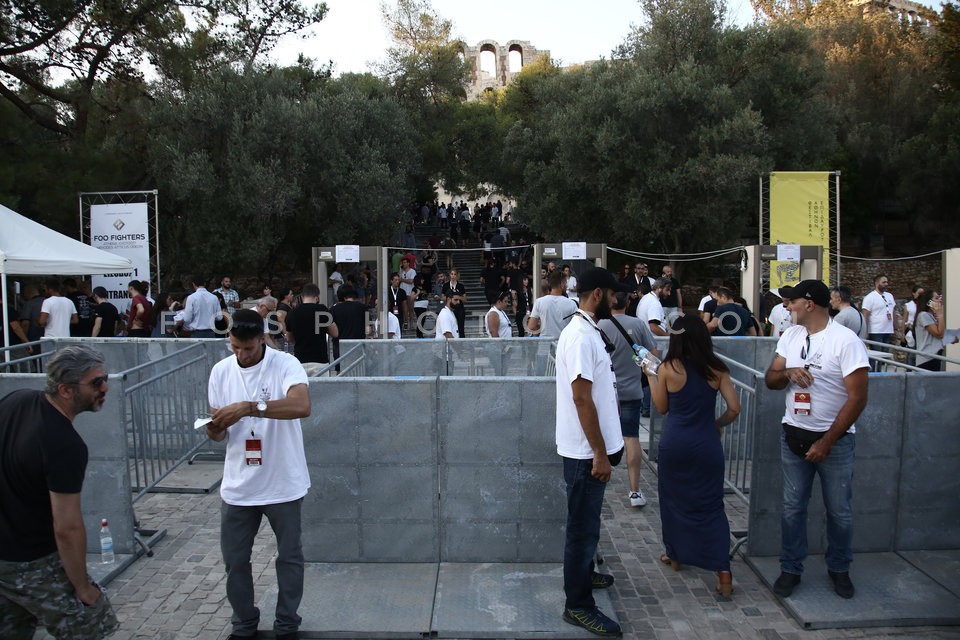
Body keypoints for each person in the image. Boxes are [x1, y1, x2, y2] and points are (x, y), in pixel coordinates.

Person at [204, 309, 311, 640]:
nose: (241, 355)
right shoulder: (221, 371)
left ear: (262, 339)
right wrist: (215, 427)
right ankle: (244, 622)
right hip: (239, 485)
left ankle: (287, 623)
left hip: (283, 481)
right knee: (235, 561)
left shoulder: (285, 364)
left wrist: (250, 407)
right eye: (234, 347)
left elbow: (301, 406)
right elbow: (217, 434)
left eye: (248, 348)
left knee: (289, 557)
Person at [0, 345, 120, 638]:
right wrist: (83, 587)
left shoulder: (16, 400)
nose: (105, 388)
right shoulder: (65, 444)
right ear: (66, 390)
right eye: (96, 382)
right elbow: (67, 527)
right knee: (91, 626)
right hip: (32, 560)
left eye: (105, 379)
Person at [763, 280, 869, 600]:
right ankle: (791, 568)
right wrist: (788, 373)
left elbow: (858, 398)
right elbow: (770, 379)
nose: (786, 307)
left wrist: (827, 441)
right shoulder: (791, 335)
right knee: (792, 508)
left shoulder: (846, 341)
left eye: (791, 301)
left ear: (809, 304)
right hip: (793, 435)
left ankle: (839, 568)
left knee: (839, 511)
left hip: (835, 442)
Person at [644, 315, 740, 596]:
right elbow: (734, 408)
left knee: (673, 501)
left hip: (675, 444)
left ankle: (676, 555)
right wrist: (717, 424)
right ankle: (723, 573)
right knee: (712, 505)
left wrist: (650, 376)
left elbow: (661, 407)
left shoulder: (667, 368)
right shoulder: (717, 368)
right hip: (706, 443)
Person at [555, 267, 625, 637]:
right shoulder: (581, 336)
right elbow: (581, 399)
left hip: (592, 452)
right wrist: (599, 453)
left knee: (589, 524)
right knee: (581, 531)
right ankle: (578, 605)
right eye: (613, 295)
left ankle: (584, 574)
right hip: (585, 455)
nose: (616, 301)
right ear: (598, 294)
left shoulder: (589, 331)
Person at [598, 292, 658, 508]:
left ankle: (598, 482)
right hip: (632, 391)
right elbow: (653, 355)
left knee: (600, 437)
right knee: (631, 438)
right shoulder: (638, 324)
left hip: (606, 392)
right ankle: (634, 490)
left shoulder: (600, 325)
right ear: (628, 302)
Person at [284, 284, 338, 363]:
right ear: (317, 297)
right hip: (319, 360)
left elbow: (289, 338)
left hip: (300, 360)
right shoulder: (323, 310)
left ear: (302, 297)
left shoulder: (292, 312)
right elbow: (335, 333)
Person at [528, 270, 578, 338]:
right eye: (566, 283)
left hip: (544, 342)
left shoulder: (539, 302)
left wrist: (542, 326)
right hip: (563, 342)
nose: (566, 285)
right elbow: (577, 326)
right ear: (562, 284)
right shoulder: (571, 304)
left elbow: (531, 326)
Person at [914, 290, 946, 371]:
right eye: (936, 298)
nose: (939, 300)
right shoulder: (923, 315)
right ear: (929, 302)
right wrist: (940, 314)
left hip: (935, 355)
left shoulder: (932, 316)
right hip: (927, 358)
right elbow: (939, 334)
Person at [861, 274, 895, 345]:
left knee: (887, 351)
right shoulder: (869, 297)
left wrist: (895, 327)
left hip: (888, 330)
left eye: (887, 282)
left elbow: (893, 311)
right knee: (877, 351)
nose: (886, 284)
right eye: (884, 282)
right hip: (876, 331)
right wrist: (865, 332)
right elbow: (865, 315)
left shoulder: (889, 296)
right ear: (876, 283)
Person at [442, 270, 467, 338]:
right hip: (450, 308)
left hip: (459, 308)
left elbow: (465, 299)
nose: (453, 276)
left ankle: (462, 341)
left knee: (461, 328)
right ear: (449, 275)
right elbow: (442, 297)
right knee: (450, 326)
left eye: (455, 274)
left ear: (457, 275)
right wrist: (451, 298)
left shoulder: (460, 286)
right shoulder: (446, 285)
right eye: (452, 274)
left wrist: (458, 297)